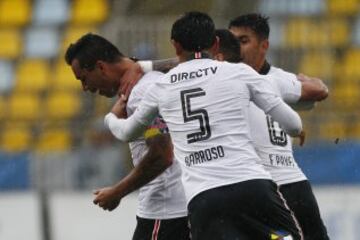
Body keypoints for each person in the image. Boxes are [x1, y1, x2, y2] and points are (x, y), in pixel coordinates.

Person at [104, 11, 305, 240]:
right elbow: (293, 125)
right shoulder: (239, 72)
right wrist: (296, 129)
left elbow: (126, 131)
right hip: (253, 187)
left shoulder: (161, 86)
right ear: (216, 42)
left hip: (204, 201)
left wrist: (111, 117)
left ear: (175, 46)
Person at [64, 33, 190, 240]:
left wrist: (117, 192)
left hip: (165, 210)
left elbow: (162, 154)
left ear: (101, 67)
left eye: (84, 79)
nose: (85, 88)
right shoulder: (156, 80)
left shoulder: (141, 93)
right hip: (181, 204)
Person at [228, 13, 330, 240]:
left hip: (288, 183)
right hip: (252, 185)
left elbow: (319, 91)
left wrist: (313, 83)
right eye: (232, 41)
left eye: (243, 41)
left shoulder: (278, 79)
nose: (236, 48)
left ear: (264, 46)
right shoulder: (225, 78)